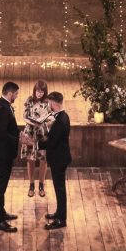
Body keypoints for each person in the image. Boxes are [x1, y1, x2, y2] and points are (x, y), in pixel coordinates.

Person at [0, 81, 21, 232]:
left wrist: (19, 134)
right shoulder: (2, 108)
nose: (16, 96)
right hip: (2, 153)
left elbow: (10, 128)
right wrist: (19, 139)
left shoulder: (5, 105)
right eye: (16, 94)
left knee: (2, 186)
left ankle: (1, 213)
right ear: (10, 93)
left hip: (5, 152)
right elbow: (2, 133)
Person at [41, 90, 70, 230]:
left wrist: (33, 143)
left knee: (60, 190)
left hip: (59, 159)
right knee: (59, 189)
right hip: (59, 158)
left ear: (53, 102)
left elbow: (51, 143)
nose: (48, 106)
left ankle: (61, 220)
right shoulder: (63, 116)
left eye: (48, 103)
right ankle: (59, 213)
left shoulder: (60, 121)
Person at [21, 79, 54, 198]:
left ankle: (41, 185)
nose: (39, 94)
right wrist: (32, 122)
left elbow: (51, 118)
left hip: (42, 134)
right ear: (34, 90)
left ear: (45, 92)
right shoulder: (29, 100)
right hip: (30, 132)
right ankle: (31, 185)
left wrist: (44, 123)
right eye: (37, 91)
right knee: (30, 159)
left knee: (43, 160)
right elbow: (24, 116)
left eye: (41, 92)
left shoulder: (48, 102)